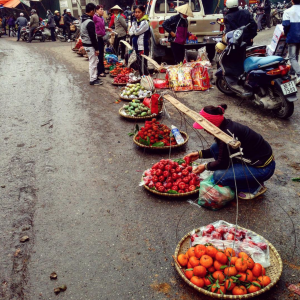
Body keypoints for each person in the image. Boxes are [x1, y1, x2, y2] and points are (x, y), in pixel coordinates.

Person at [184, 104, 275, 200]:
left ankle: (254, 187)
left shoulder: (228, 135)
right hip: (251, 159)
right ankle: (240, 176)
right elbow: (221, 151)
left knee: (219, 176)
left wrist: (205, 166)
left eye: (204, 127)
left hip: (263, 169)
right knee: (215, 148)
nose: (204, 130)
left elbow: (222, 163)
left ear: (213, 125)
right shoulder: (225, 127)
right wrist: (199, 154)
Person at [80, 3, 101, 86]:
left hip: (86, 43)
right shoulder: (89, 22)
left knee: (95, 61)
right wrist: (97, 48)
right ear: (92, 11)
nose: (95, 13)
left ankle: (95, 77)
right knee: (93, 62)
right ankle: (92, 79)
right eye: (94, 11)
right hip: (90, 44)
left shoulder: (82, 19)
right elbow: (92, 37)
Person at [129, 5, 150, 76]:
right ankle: (143, 79)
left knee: (143, 66)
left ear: (143, 13)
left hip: (143, 48)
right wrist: (135, 29)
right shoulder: (135, 22)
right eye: (135, 12)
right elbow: (130, 32)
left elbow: (136, 32)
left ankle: (145, 80)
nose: (136, 14)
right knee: (139, 65)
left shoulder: (145, 22)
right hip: (137, 47)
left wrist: (134, 29)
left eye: (139, 12)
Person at [283, 0, 300, 85]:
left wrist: (285, 33)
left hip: (293, 37)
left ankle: (299, 74)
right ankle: (292, 74)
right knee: (296, 55)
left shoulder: (287, 11)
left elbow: (285, 25)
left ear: (292, 1)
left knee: (292, 57)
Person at [93, 5, 112, 78]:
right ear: (96, 10)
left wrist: (107, 29)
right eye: (101, 9)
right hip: (97, 38)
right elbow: (93, 27)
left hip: (102, 38)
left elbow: (102, 27)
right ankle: (99, 71)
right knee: (99, 55)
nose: (102, 11)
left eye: (103, 9)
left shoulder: (101, 18)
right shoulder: (94, 17)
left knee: (102, 55)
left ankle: (102, 70)